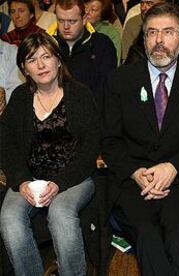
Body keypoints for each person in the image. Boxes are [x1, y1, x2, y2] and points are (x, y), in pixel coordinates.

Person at [102, 3, 179, 275]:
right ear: (144, 39)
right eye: (152, 33)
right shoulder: (120, 81)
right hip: (134, 183)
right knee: (147, 235)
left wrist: (173, 167)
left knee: (178, 235)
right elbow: (110, 140)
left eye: (167, 32)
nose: (159, 41)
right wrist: (134, 172)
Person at [0, 32, 100, 276]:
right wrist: (21, 180)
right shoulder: (20, 98)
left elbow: (90, 148)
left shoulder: (80, 95)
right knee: (9, 218)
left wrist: (59, 183)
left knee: (60, 213)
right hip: (30, 178)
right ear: (24, 68)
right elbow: (6, 144)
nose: (41, 65)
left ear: (58, 59)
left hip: (74, 178)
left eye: (46, 56)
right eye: (32, 60)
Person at [47, 0, 117, 110]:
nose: (65, 27)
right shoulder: (47, 46)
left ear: (84, 19)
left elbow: (106, 92)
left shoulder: (102, 45)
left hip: (92, 114)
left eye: (72, 21)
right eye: (60, 21)